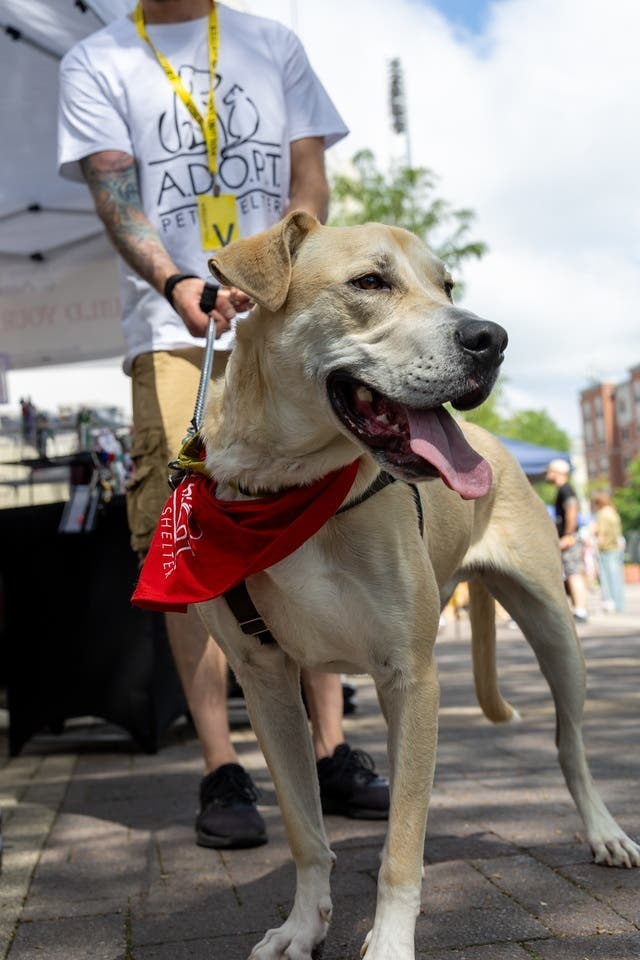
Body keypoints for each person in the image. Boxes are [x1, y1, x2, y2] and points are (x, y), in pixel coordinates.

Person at [58, 0, 388, 849]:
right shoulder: (95, 59)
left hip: (282, 320)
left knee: (306, 516)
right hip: (174, 333)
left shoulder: (271, 41)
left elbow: (306, 177)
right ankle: (221, 765)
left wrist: (275, 275)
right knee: (187, 537)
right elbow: (116, 192)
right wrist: (178, 284)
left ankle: (330, 750)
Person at [546, 458, 589, 623]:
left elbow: (572, 510)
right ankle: (578, 608)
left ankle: (580, 610)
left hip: (569, 537)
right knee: (571, 572)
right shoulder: (563, 490)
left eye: (550, 471)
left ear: (557, 472)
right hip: (567, 536)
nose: (548, 474)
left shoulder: (566, 490)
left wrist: (568, 535)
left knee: (573, 572)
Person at [591, 491, 625, 613]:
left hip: (606, 549)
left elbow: (602, 533)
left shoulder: (602, 514)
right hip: (615, 547)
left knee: (607, 577)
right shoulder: (613, 512)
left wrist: (597, 547)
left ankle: (611, 603)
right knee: (617, 576)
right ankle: (619, 603)